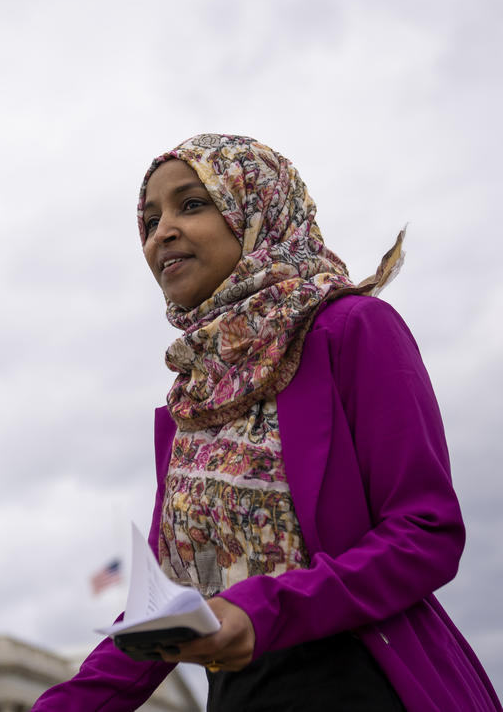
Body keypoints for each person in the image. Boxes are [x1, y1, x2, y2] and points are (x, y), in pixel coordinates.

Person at [32, 134, 501, 711]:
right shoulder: (191, 402)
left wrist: (262, 612)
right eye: (150, 220)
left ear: (258, 210)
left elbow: (426, 532)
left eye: (193, 204)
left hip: (366, 685)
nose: (162, 232)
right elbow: (169, 607)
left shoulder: (352, 329)